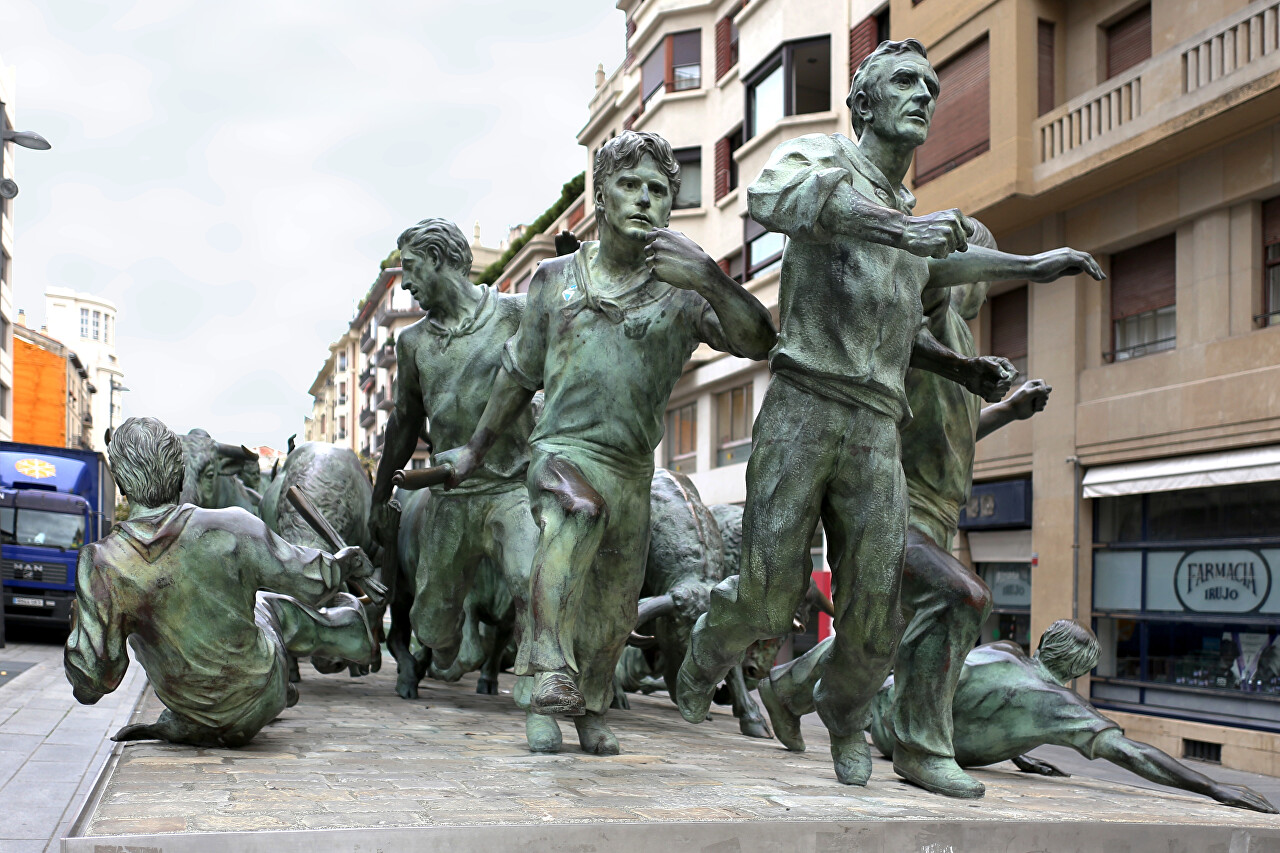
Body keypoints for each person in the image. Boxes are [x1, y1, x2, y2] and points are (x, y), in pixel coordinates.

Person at [678, 38, 1104, 790]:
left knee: (876, 613)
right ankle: (708, 646)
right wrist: (900, 229)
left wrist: (1031, 268)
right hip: (806, 402)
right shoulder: (825, 161)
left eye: (933, 89)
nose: (925, 97)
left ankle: (850, 720)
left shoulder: (912, 210)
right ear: (865, 103)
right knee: (769, 592)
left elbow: (936, 274)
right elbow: (769, 201)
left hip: (876, 422)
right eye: (906, 83)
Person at [444, 130, 776, 754]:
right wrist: (476, 449)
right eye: (629, 186)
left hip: (632, 469)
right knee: (577, 514)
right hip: (560, 452)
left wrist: (710, 275)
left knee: (615, 607)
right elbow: (518, 372)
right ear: (600, 196)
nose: (644, 200)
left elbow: (760, 341)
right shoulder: (554, 279)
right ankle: (544, 690)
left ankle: (593, 707)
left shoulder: (683, 292)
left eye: (658, 190)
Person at [761, 219, 1052, 798]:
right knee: (962, 597)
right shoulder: (921, 316)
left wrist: (1010, 413)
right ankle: (921, 747)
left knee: (888, 633)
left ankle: (788, 687)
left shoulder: (966, 345)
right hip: (896, 503)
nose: (982, 286)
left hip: (941, 514)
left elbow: (956, 435)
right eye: (980, 269)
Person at [65, 417, 376, 748]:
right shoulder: (234, 525)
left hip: (192, 709)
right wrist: (343, 563)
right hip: (264, 691)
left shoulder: (102, 563)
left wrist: (82, 629)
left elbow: (94, 683)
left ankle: (209, 714)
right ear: (181, 474)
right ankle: (340, 627)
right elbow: (310, 582)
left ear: (122, 484)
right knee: (264, 603)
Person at [368, 218, 552, 750]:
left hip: (512, 491)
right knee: (434, 631)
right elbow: (402, 426)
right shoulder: (413, 344)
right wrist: (381, 500)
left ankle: (541, 704)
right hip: (449, 499)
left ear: (443, 259)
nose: (405, 284)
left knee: (533, 586)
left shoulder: (516, 314)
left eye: (410, 268)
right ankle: (456, 647)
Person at [865, 622, 1273, 814]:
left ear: (1044, 642)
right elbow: (1133, 754)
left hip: (883, 712)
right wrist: (1214, 787)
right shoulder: (1060, 704)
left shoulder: (1007, 649)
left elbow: (959, 690)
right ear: (1077, 672)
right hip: (907, 748)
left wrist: (1018, 753)